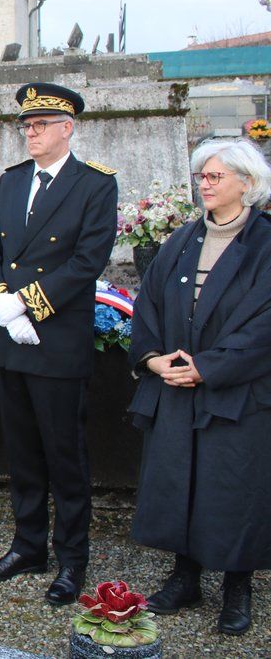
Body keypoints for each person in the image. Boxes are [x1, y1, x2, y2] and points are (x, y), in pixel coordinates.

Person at [0, 83, 118, 606]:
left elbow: (87, 261)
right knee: (22, 453)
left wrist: (26, 303)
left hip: (55, 339)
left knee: (64, 456)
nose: (30, 133)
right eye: (25, 126)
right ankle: (28, 546)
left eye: (40, 125)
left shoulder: (94, 184)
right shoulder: (11, 182)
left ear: (67, 127)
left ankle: (71, 560)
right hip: (11, 341)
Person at [128, 138, 271, 637]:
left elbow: (263, 326)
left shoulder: (265, 245)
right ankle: (185, 576)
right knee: (180, 482)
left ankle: (237, 586)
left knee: (233, 492)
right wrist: (152, 357)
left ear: (246, 184)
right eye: (202, 177)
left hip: (234, 392)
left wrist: (208, 367)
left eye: (215, 177)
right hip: (175, 384)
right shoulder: (182, 239)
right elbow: (148, 304)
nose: (205, 185)